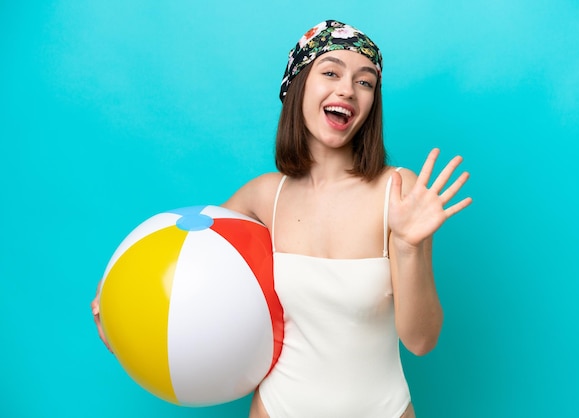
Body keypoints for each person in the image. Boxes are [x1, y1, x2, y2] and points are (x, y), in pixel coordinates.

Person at [92, 19, 472, 418]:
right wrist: (113, 297)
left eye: (365, 82)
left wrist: (409, 247)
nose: (347, 89)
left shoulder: (396, 191)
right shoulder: (264, 196)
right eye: (331, 72)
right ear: (297, 85)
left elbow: (421, 340)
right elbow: (185, 261)